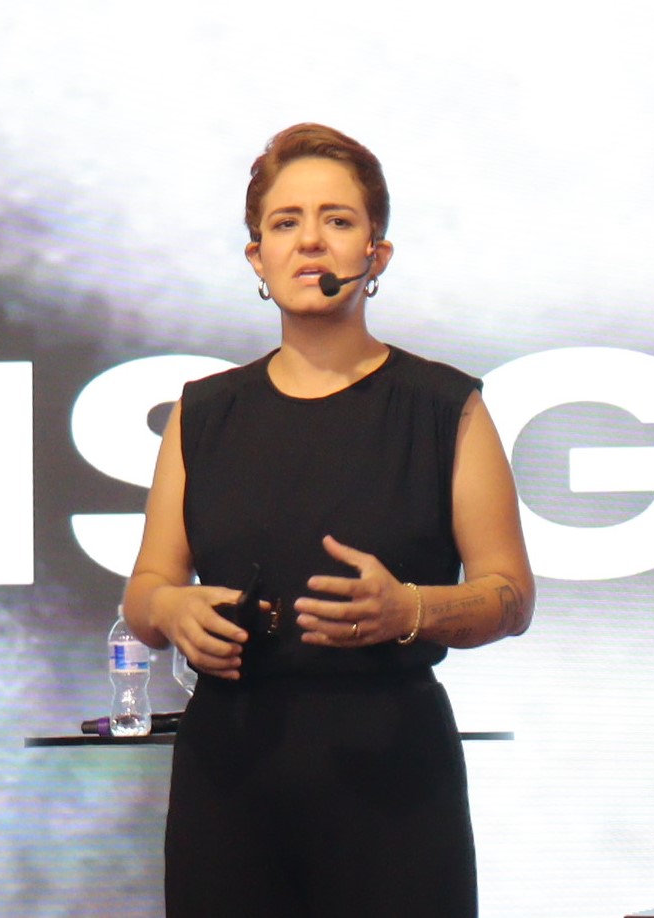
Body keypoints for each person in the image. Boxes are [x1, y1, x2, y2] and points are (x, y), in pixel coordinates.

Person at [123, 123, 534, 918]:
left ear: (376, 254)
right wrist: (171, 610)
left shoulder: (445, 408)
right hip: (230, 778)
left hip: (393, 778)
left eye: (338, 220)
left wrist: (410, 609)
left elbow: (510, 596)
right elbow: (146, 591)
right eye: (286, 222)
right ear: (258, 258)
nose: (311, 241)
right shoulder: (202, 414)